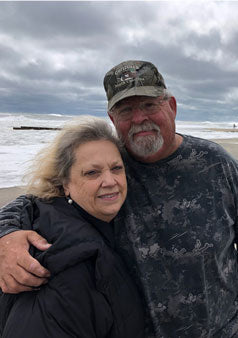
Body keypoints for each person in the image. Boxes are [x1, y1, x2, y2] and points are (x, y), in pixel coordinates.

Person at [0, 60, 238, 337]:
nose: (139, 117)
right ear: (112, 119)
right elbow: (38, 201)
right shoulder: (109, 169)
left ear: (172, 106)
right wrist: (6, 235)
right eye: (126, 109)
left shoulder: (217, 165)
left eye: (149, 105)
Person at [0, 117, 147, 337]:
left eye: (116, 168)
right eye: (92, 172)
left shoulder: (92, 219)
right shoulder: (65, 260)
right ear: (65, 184)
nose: (109, 181)